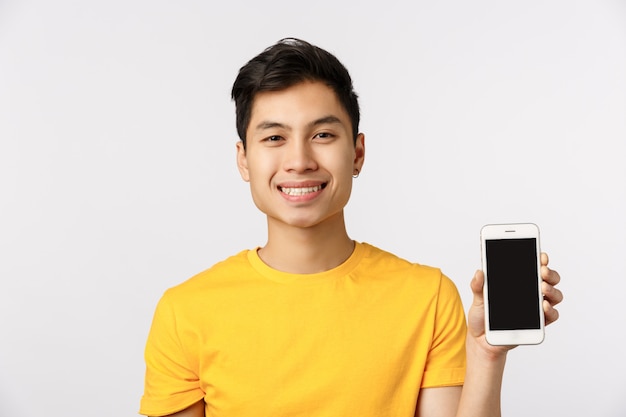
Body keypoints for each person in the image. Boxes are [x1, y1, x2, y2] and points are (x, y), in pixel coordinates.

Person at [139, 38, 563, 417]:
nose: (299, 160)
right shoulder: (185, 312)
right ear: (243, 159)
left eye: (323, 134)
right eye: (273, 138)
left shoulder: (427, 298)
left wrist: (486, 356)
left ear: (357, 153)